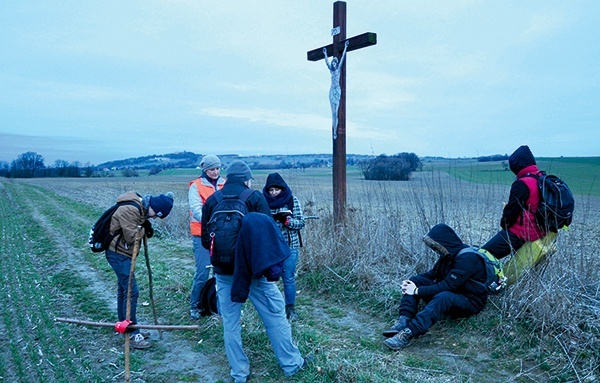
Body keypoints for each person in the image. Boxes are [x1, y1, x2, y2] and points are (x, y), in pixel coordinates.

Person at [201, 161, 306, 383]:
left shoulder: (212, 200)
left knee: (230, 323)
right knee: (275, 316)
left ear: (227, 178)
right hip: (254, 274)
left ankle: (239, 373)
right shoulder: (254, 198)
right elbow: (268, 237)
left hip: (224, 272)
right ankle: (291, 364)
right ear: (247, 179)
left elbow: (204, 241)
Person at [383, 224, 488, 351]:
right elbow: (432, 274)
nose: (436, 250)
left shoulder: (468, 259)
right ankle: (403, 321)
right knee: (415, 281)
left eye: (437, 247)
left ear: (445, 243)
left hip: (470, 301)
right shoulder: (448, 255)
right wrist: (411, 283)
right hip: (454, 293)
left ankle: (408, 333)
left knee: (443, 297)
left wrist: (416, 291)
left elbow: (447, 286)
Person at [106, 191, 174, 349]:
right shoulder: (131, 210)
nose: (154, 218)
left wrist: (142, 226)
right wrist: (143, 228)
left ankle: (125, 326)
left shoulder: (141, 210)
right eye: (156, 214)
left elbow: (137, 231)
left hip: (123, 253)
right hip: (117, 254)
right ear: (153, 206)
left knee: (124, 290)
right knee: (131, 291)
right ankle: (131, 332)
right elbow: (132, 237)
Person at [481, 145, 546, 259]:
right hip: (540, 232)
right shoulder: (542, 178)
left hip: (522, 233)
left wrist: (504, 225)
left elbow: (511, 211)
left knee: (483, 255)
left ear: (517, 166)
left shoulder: (522, 183)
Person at [262, 172, 306, 321]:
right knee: (270, 277)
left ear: (282, 188)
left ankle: (290, 309)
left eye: (277, 190)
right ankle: (273, 308)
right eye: (271, 190)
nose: (274, 193)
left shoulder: (292, 201)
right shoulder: (263, 202)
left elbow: (301, 222)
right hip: (271, 247)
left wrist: (287, 221)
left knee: (288, 278)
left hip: (290, 246)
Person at [188, 155, 225, 319]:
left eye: (217, 168)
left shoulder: (225, 184)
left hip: (223, 236)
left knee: (222, 273)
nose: (215, 172)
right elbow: (196, 209)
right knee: (203, 272)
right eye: (212, 169)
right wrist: (215, 220)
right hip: (201, 236)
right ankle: (195, 305)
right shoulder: (195, 186)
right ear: (205, 170)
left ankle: (217, 305)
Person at [323, 40, 349, 140]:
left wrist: (345, 47)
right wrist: (325, 53)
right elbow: (326, 62)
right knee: (333, 113)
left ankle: (335, 131)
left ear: (336, 63)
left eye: (335, 62)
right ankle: (333, 131)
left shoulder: (338, 70)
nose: (333, 63)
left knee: (336, 114)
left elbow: (342, 59)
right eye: (333, 62)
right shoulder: (331, 70)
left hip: (337, 91)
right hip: (331, 91)